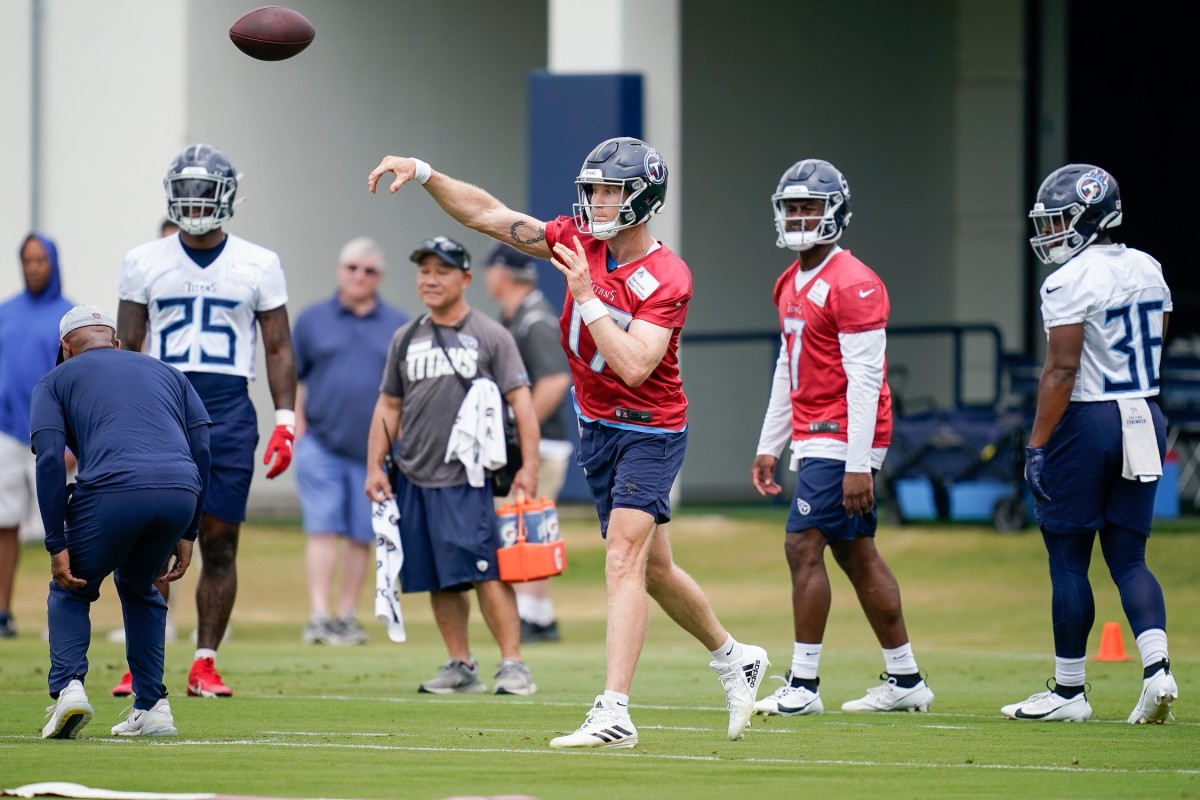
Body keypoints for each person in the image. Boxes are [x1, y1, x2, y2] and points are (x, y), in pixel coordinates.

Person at [367, 136, 769, 749]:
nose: (598, 201)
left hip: (649, 429)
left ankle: (613, 711)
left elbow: (635, 365)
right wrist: (424, 172)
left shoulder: (668, 275)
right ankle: (734, 656)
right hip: (599, 426)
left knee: (623, 559)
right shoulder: (576, 241)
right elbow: (487, 213)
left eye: (612, 190)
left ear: (643, 198)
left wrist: (584, 294)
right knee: (654, 570)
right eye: (594, 189)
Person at [750, 159, 934, 718]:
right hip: (813, 433)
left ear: (836, 213)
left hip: (843, 435)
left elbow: (866, 378)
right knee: (856, 554)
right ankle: (905, 678)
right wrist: (770, 443)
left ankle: (802, 685)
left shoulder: (853, 281)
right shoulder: (789, 280)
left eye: (811, 206)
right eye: (793, 207)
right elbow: (789, 365)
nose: (800, 217)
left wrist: (860, 462)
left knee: (801, 543)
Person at [117, 143, 297, 698]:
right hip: (161, 406)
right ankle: (143, 661)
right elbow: (127, 345)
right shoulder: (144, 260)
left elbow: (278, 347)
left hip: (227, 410)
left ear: (228, 195)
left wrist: (286, 418)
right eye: (187, 192)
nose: (195, 204)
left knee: (219, 541)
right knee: (152, 538)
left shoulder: (259, 261)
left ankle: (204, 661)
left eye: (205, 191)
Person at [1002, 164, 1177, 724]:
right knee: (1130, 557)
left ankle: (1070, 691)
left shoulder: (1067, 280)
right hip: (1143, 411)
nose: (1051, 232)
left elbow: (1061, 369)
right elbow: (1158, 337)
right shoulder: (1149, 267)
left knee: (1069, 559)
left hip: (1088, 418)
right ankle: (1158, 672)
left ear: (1090, 217)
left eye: (1059, 221)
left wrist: (1036, 444)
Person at [364, 235, 539, 696]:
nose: (431, 279)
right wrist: (375, 468)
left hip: (470, 477)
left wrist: (529, 467)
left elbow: (522, 404)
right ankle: (461, 665)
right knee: (438, 575)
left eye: (442, 271)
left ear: (465, 279)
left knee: (485, 571)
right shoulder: (405, 338)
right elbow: (388, 406)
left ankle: (514, 664)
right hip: (414, 477)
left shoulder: (490, 334)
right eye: (424, 271)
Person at [34, 305, 211, 738]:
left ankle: (69, 689)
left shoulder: (54, 380)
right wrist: (190, 529)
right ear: (115, 343)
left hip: (113, 490)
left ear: (65, 348)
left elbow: (50, 461)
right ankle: (152, 706)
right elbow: (203, 447)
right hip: (180, 490)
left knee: (72, 587)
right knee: (140, 585)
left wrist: (56, 543)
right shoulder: (168, 372)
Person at [293, 236, 408, 645]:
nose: (360, 276)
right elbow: (291, 377)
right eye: (352, 268)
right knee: (322, 528)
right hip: (320, 443)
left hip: (375, 450)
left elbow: (407, 390)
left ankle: (346, 615)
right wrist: (298, 430)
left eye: (369, 270)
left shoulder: (398, 323)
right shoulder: (312, 319)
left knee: (362, 533)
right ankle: (319, 615)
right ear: (340, 271)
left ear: (380, 277)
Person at [482, 243, 572, 644]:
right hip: (534, 443)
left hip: (540, 444)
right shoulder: (520, 315)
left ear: (502, 274)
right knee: (524, 529)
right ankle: (535, 614)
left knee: (528, 530)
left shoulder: (534, 320)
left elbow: (555, 380)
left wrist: (521, 431)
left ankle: (536, 617)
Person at [0, 233, 74, 639]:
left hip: (54, 440)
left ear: (53, 263)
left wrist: (71, 442)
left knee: (64, 524)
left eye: (40, 260)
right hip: (7, 434)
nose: (33, 267)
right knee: (4, 524)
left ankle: (65, 612)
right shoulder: (5, 312)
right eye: (27, 260)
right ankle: (2, 614)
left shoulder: (70, 316)